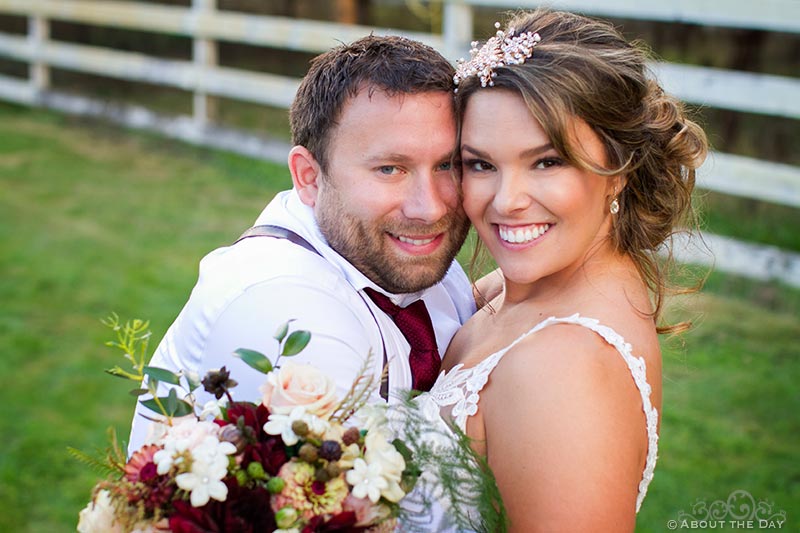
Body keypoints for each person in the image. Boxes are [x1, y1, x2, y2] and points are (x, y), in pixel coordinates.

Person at [404, 8, 708, 532]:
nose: (507, 200)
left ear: (619, 170)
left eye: (547, 161)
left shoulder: (564, 366)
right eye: (481, 163)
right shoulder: (519, 286)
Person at [128, 35, 475, 453]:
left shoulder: (403, 253)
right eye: (389, 169)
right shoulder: (288, 320)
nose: (430, 207)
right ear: (309, 177)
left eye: (447, 165)